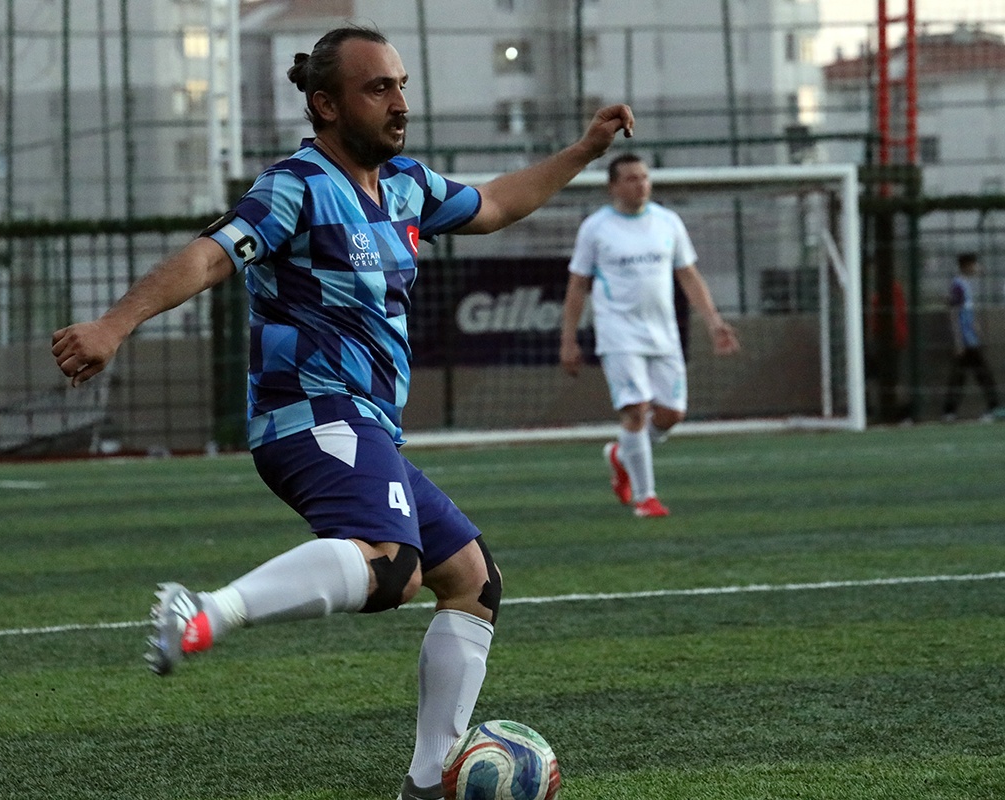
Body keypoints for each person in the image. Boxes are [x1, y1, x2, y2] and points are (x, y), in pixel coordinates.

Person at [51, 25, 634, 800]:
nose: (399, 103)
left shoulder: (406, 185)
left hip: (366, 426)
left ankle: (426, 785)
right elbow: (212, 254)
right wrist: (115, 323)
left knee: (473, 581)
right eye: (378, 88)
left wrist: (584, 150)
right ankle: (205, 612)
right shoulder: (296, 186)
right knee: (393, 568)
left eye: (400, 85)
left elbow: (494, 204)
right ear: (326, 105)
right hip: (310, 414)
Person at [559, 153, 739, 518]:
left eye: (644, 177)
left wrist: (714, 322)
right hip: (618, 333)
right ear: (613, 186)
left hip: (663, 334)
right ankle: (646, 498)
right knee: (636, 409)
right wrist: (568, 339)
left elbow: (688, 275)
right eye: (631, 178)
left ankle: (622, 454)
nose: (640, 184)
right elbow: (578, 285)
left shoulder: (668, 222)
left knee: (671, 414)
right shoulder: (596, 228)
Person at [941, 252, 1002, 422]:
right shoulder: (958, 285)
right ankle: (993, 408)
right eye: (975, 265)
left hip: (970, 339)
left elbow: (965, 311)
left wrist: (975, 326)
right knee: (980, 374)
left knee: (963, 375)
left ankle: (950, 411)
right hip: (966, 341)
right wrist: (958, 342)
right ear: (967, 265)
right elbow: (954, 313)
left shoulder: (965, 285)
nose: (977, 268)